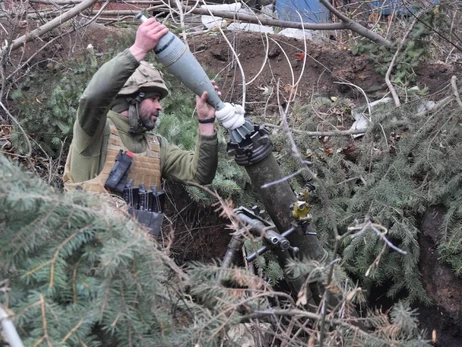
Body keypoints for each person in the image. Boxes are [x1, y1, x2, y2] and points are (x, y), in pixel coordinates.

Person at [63, 19, 219, 236]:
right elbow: (93, 97)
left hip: (141, 264)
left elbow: (200, 174)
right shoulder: (94, 131)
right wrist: (137, 49)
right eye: (154, 98)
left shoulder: (156, 146)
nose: (159, 107)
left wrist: (206, 122)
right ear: (132, 99)